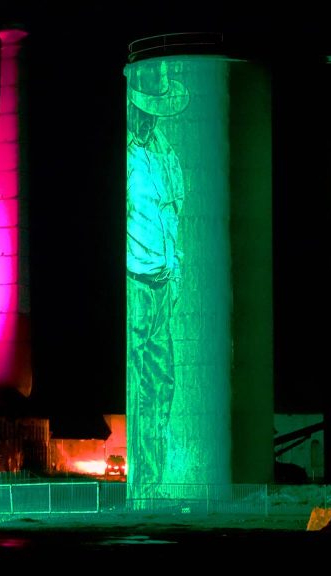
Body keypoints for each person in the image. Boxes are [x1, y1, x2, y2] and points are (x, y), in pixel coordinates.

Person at [125, 59, 189, 498]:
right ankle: (143, 485)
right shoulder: (126, 155)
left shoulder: (166, 154)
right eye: (147, 109)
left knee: (163, 382)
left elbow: (174, 216)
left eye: (158, 109)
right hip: (137, 283)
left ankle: (156, 481)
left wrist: (178, 269)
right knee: (140, 384)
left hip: (165, 284)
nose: (152, 117)